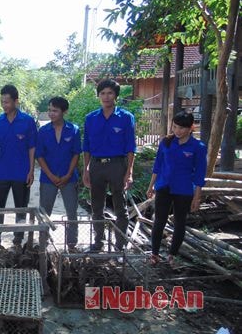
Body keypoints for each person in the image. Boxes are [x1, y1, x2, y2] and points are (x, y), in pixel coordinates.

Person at [147, 111, 207, 266]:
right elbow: (157, 165)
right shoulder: (166, 142)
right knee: (159, 221)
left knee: (180, 222)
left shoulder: (198, 147)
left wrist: (197, 197)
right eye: (174, 126)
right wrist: (151, 186)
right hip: (163, 186)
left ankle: (172, 255)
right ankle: (154, 254)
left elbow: (200, 174)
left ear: (191, 128)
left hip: (184, 189)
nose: (177, 131)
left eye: (181, 128)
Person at [82, 79, 136, 251]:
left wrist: (130, 171)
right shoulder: (90, 118)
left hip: (117, 165)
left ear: (116, 96)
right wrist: (86, 169)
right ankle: (98, 243)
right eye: (103, 93)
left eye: (110, 93)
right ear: (98, 95)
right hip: (96, 166)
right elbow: (87, 147)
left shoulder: (126, 117)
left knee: (120, 207)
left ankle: (120, 245)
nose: (106, 97)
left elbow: (131, 147)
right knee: (96, 207)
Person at [0, 84, 37, 246]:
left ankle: (18, 237)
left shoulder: (27, 121)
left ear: (16, 101)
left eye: (6, 102)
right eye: (2, 102)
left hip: (22, 172)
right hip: (3, 172)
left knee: (21, 206)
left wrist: (31, 170)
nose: (4, 105)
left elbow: (32, 147)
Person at [36, 97, 82, 253]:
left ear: (64, 111)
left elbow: (76, 154)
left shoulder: (74, 130)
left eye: (55, 110)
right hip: (48, 178)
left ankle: (72, 243)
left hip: (69, 178)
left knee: (72, 212)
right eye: (49, 110)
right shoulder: (43, 131)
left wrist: (68, 174)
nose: (51, 113)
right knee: (45, 212)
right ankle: (44, 240)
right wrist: (50, 175)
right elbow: (39, 155)